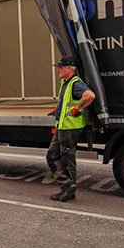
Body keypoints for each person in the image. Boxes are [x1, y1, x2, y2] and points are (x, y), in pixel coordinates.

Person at [46, 56, 95, 202]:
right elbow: (66, 101)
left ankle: (67, 186)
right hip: (63, 126)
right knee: (62, 158)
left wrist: (76, 109)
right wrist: (58, 109)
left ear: (69, 68)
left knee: (57, 158)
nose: (58, 70)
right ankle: (68, 190)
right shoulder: (65, 83)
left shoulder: (75, 83)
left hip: (69, 128)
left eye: (60, 67)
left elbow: (90, 95)